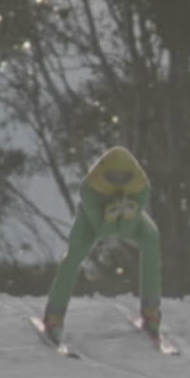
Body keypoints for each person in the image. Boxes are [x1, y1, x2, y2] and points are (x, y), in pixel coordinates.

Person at [41, 146, 162, 343]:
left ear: (133, 174)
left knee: (151, 238)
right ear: (103, 174)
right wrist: (112, 215)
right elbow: (102, 231)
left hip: (126, 217)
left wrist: (128, 216)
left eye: (124, 177)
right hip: (91, 221)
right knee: (73, 257)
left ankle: (151, 311)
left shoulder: (141, 188)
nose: (119, 182)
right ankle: (54, 315)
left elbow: (126, 232)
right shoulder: (89, 189)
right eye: (113, 176)